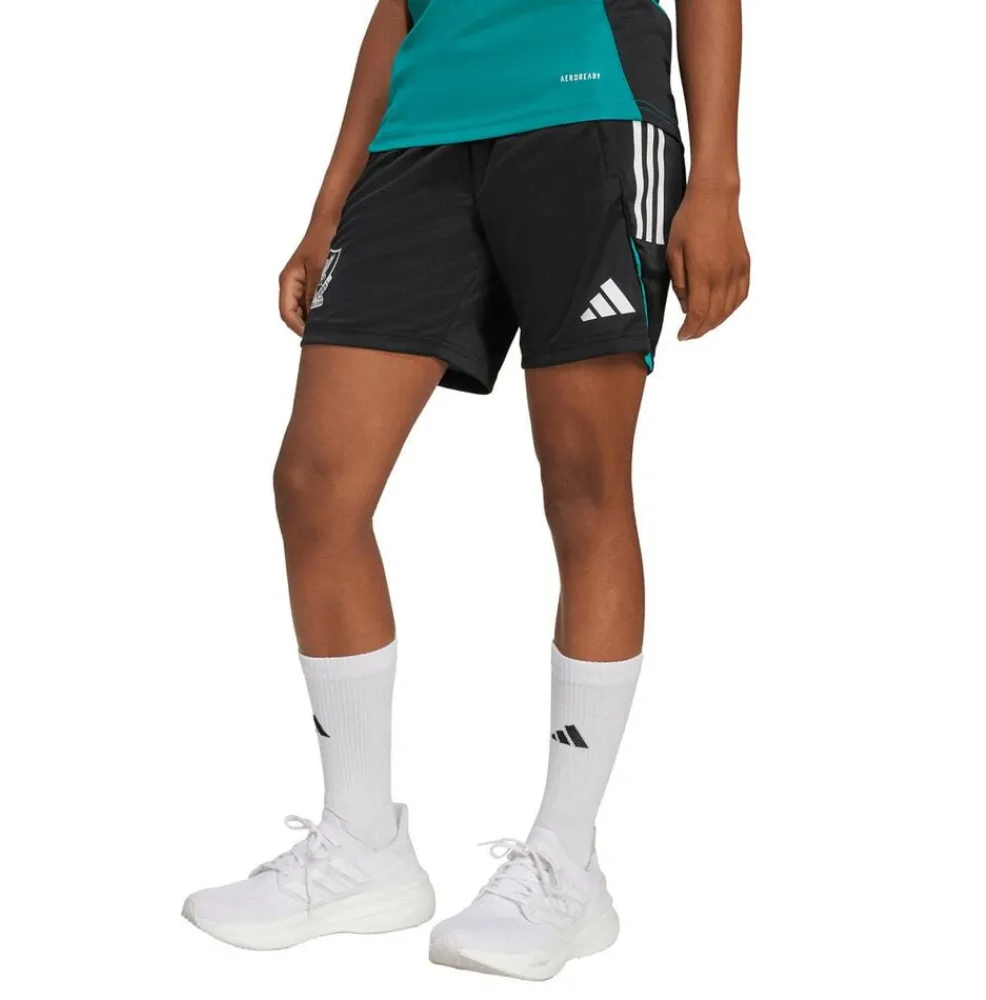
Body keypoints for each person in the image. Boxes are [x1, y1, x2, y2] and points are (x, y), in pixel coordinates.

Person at [183, 0, 749, 980]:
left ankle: (566, 862)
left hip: (588, 110)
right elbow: (398, 9)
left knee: (582, 486)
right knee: (316, 483)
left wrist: (718, 182)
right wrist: (328, 204)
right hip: (420, 137)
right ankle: (362, 845)